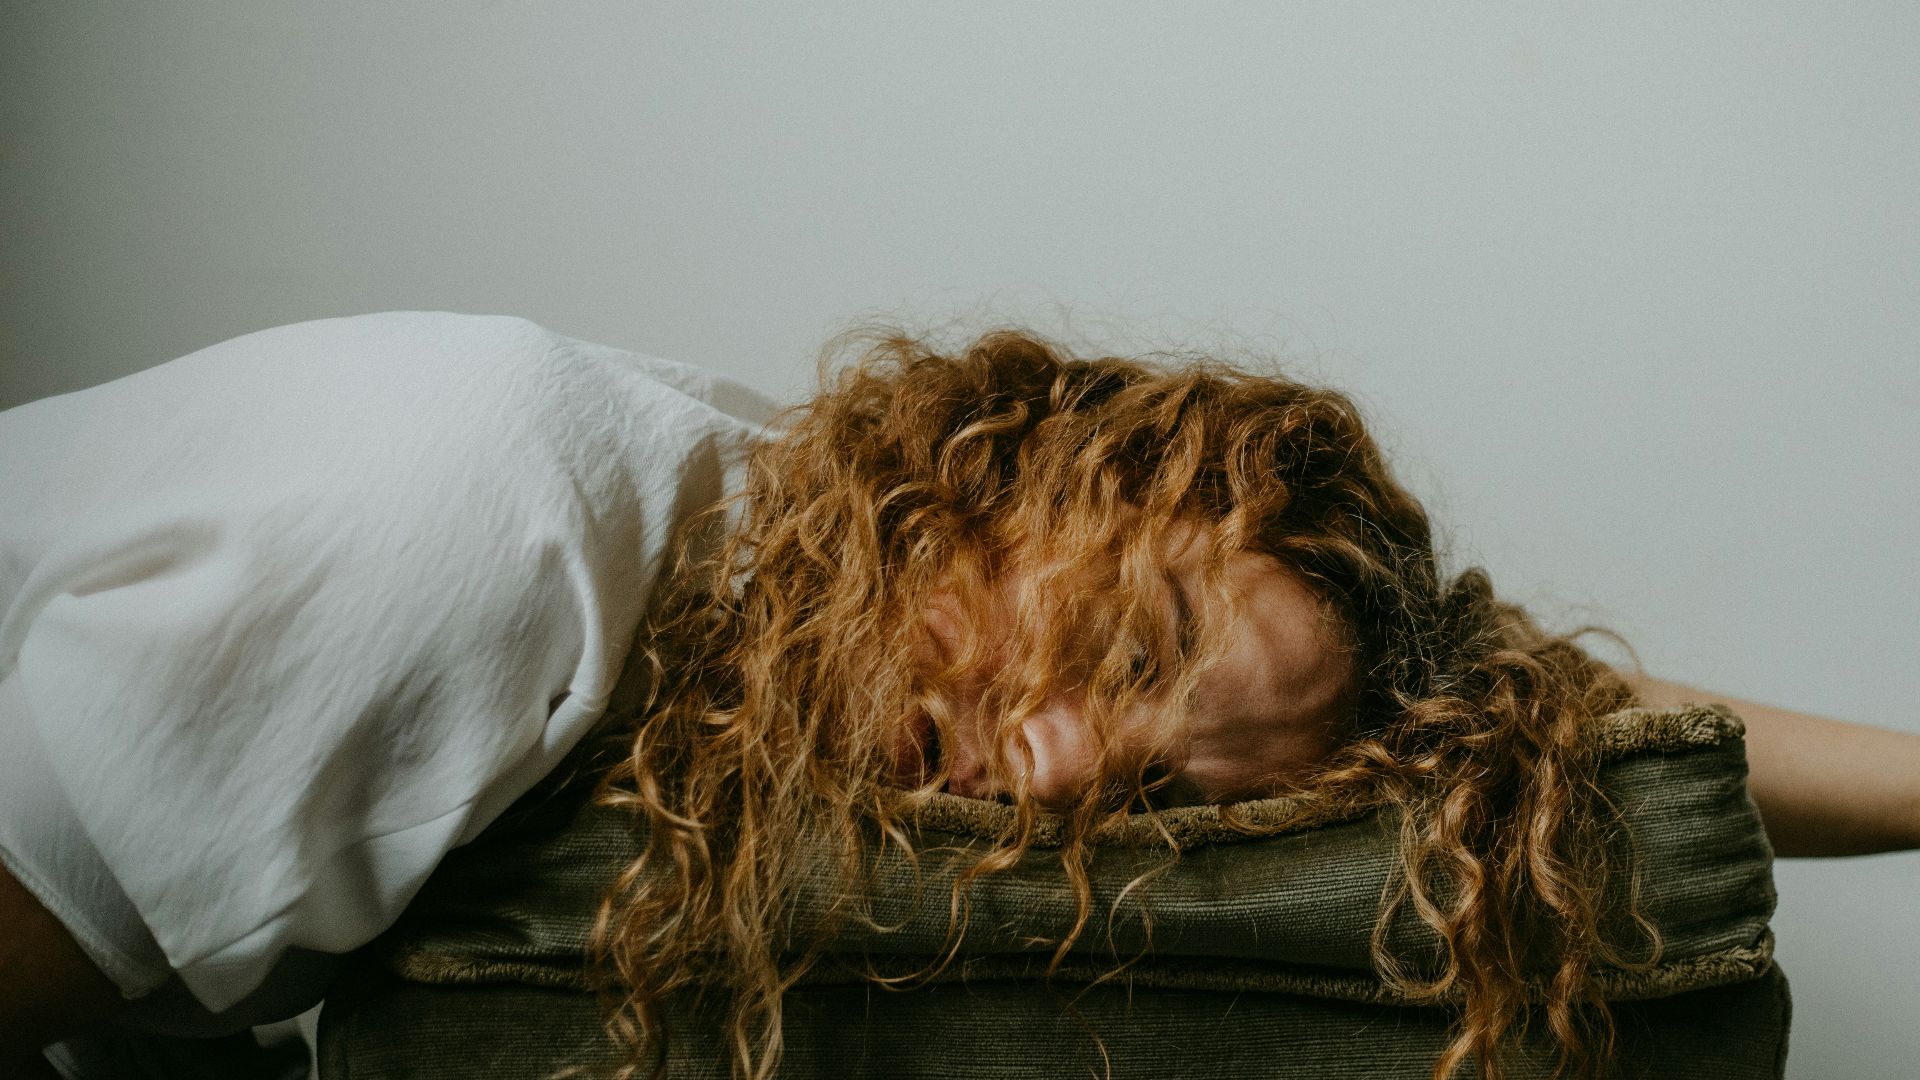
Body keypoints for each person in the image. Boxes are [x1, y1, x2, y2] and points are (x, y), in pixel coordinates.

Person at [2, 313, 1916, 1079]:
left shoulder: (743, 577)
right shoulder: (489, 529)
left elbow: (1529, 701)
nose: (1063, 776)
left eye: (1166, 793)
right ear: (1020, 478)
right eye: (1138, 648)